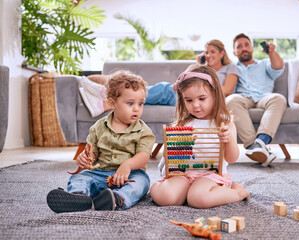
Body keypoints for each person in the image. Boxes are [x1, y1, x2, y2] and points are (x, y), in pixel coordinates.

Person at [46, 71, 155, 213]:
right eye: (130, 103)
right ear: (112, 103)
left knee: (142, 184)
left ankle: (117, 199)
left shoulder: (143, 131)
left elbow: (144, 155)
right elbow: (93, 153)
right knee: (80, 177)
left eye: (140, 104)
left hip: (131, 175)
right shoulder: (98, 127)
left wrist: (127, 165)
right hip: (101, 174)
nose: (136, 108)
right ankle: (78, 197)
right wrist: (85, 159)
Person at [149, 64, 249, 208]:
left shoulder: (224, 123)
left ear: (215, 95)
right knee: (166, 198)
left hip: (210, 174)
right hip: (183, 173)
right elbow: (168, 157)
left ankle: (238, 193)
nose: (195, 105)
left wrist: (229, 140)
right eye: (189, 100)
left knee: (198, 199)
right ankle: (177, 190)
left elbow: (231, 158)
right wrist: (181, 145)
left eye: (202, 99)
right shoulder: (182, 123)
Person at [79, 39, 239, 118]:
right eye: (206, 52)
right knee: (164, 88)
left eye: (212, 51)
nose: (208, 55)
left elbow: (226, 90)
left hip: (204, 98)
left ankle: (106, 100)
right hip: (186, 94)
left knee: (163, 89)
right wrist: (198, 66)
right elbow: (185, 83)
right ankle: (106, 95)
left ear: (222, 53)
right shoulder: (203, 68)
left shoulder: (230, 68)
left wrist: (204, 81)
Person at [226, 33, 287, 167]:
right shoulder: (232, 68)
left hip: (264, 97)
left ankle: (260, 142)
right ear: (234, 52)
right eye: (239, 47)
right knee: (230, 100)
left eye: (246, 45)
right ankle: (256, 145)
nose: (244, 48)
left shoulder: (265, 63)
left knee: (279, 98)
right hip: (243, 98)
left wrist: (271, 52)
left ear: (252, 48)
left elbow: (278, 66)